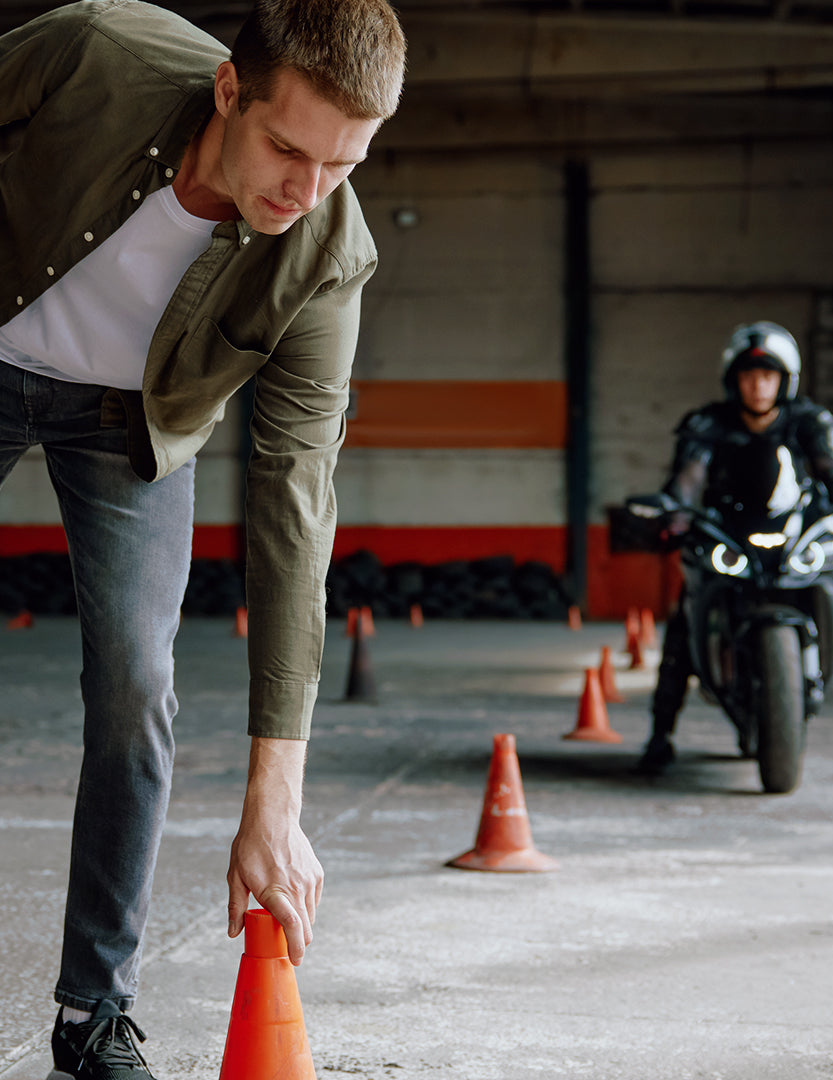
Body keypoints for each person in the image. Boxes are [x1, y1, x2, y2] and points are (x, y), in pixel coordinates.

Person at [0, 1, 406, 1076]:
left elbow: (294, 498)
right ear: (230, 89)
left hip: (128, 422)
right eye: (286, 147)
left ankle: (94, 1015)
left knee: (137, 685)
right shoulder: (97, 53)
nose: (303, 190)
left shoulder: (326, 250)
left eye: (341, 164)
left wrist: (278, 799)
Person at [637, 321, 833, 776]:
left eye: (768, 376)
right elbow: (687, 478)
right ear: (734, 380)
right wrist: (675, 518)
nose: (758, 385)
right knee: (685, 622)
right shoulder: (707, 424)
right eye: (749, 376)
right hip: (727, 531)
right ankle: (660, 735)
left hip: (793, 530)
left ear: (785, 380)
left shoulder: (809, 421)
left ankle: (831, 646)